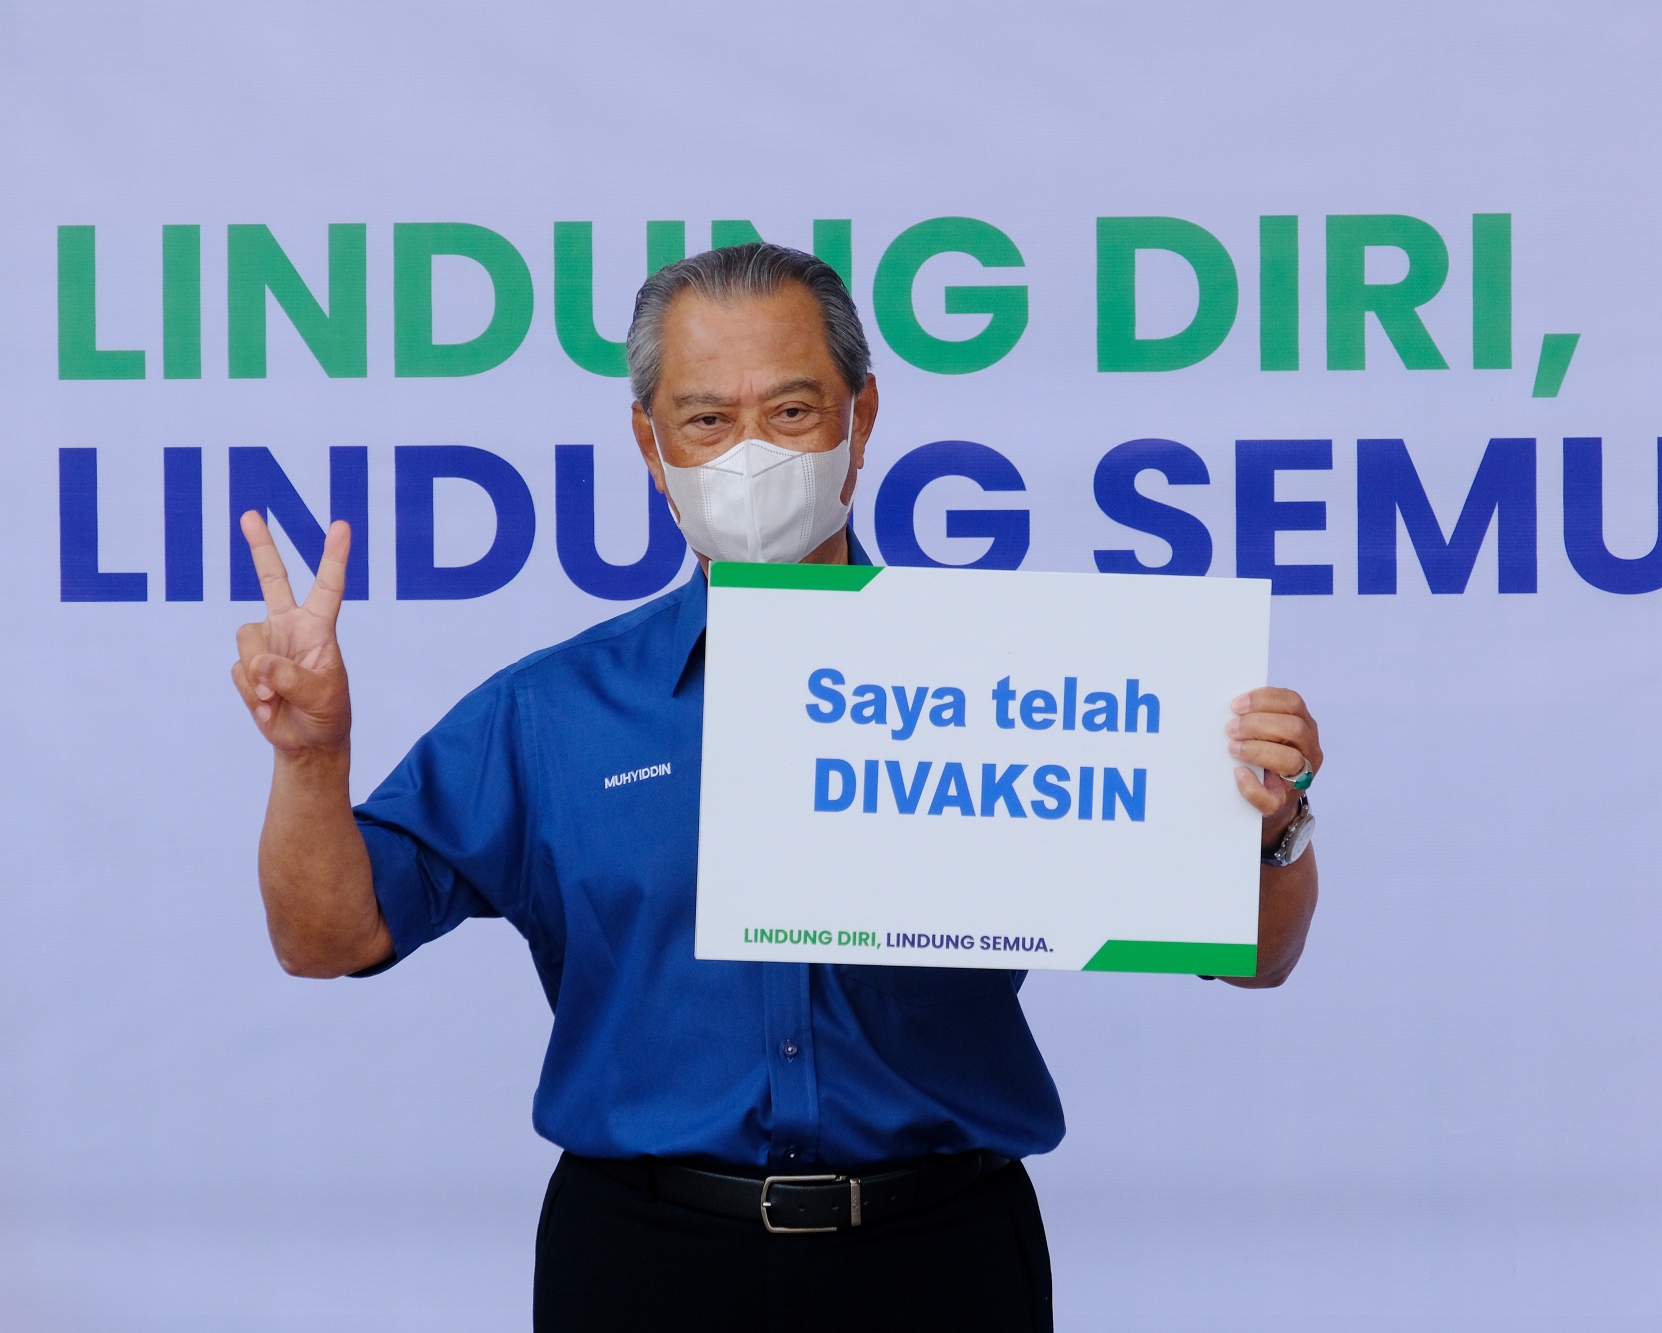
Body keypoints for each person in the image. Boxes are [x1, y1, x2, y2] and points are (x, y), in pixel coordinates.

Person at [229, 243, 1322, 1333]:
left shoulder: (1017, 684)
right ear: (649, 446)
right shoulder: (552, 713)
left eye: (791, 411)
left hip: (942, 1261)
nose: (748, 452)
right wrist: (310, 759)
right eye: (706, 420)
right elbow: (324, 935)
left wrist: (1269, 828)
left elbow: (1254, 957)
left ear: (861, 418)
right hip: (643, 1264)